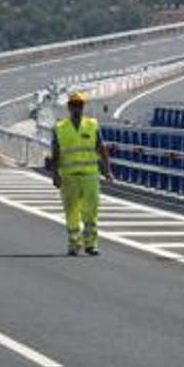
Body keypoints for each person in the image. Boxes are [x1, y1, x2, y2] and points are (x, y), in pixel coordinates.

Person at [50, 91, 114, 256]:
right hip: (69, 177)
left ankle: (91, 244)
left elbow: (101, 148)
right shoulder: (60, 127)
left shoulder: (92, 125)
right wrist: (55, 174)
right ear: (69, 107)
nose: (78, 108)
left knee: (90, 211)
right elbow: (55, 153)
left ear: (83, 107)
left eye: (80, 105)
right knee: (71, 212)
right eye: (75, 105)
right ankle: (74, 244)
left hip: (90, 176)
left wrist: (108, 170)